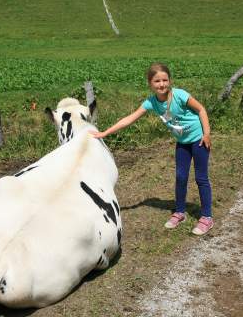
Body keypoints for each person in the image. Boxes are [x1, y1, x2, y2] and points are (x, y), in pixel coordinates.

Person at [90, 63, 215, 235]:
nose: (162, 84)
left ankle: (207, 217)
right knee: (180, 177)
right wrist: (105, 133)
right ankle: (179, 212)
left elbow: (201, 109)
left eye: (165, 80)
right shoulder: (151, 102)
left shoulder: (180, 95)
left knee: (201, 178)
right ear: (150, 83)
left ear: (170, 81)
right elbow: (129, 119)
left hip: (199, 140)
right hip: (182, 142)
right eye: (157, 81)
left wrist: (206, 134)